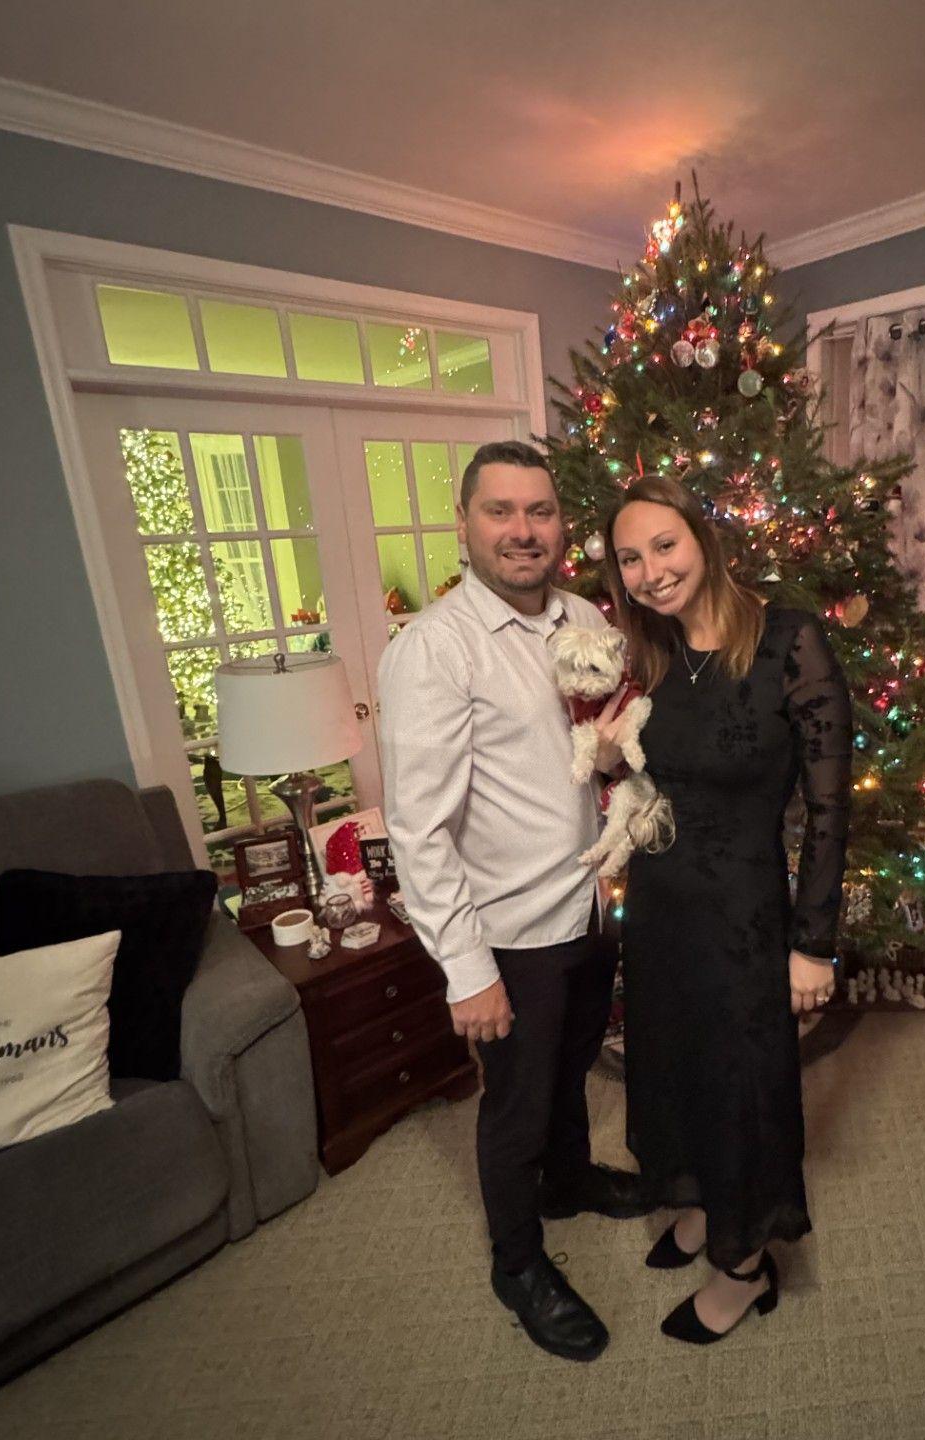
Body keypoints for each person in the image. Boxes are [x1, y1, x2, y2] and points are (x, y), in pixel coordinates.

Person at [378, 440, 650, 1364]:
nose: (523, 530)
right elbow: (418, 830)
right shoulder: (434, 649)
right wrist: (467, 972)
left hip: (589, 904)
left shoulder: (584, 615)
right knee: (518, 1105)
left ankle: (568, 1183)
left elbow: (595, 748)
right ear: (464, 524)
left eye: (540, 511)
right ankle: (518, 1263)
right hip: (510, 935)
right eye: (501, 511)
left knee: (571, 1072)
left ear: (561, 524)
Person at [597, 475, 852, 1344]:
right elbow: (641, 777)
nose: (650, 571)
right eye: (630, 558)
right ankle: (700, 1201)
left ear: (702, 540)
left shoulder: (789, 640)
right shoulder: (652, 655)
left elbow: (829, 808)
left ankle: (745, 1268)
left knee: (743, 1086)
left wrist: (813, 944)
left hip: (744, 914)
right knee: (673, 1065)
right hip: (659, 907)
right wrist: (607, 762)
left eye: (663, 545)